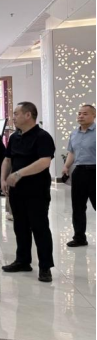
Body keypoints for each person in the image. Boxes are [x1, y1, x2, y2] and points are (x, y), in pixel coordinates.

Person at [1, 102, 56, 283]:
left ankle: (45, 266)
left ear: (28, 115)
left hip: (36, 189)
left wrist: (19, 174)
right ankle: (23, 260)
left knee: (39, 227)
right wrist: (3, 179)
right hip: (17, 190)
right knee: (20, 226)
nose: (13, 117)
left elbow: (44, 162)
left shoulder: (43, 137)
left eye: (16, 113)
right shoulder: (15, 137)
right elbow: (7, 159)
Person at [63, 104, 96, 248]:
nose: (81, 116)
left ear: (94, 115)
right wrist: (66, 166)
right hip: (79, 172)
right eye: (79, 113)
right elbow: (72, 152)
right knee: (78, 207)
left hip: (95, 172)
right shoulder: (74, 134)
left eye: (85, 113)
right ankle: (79, 238)